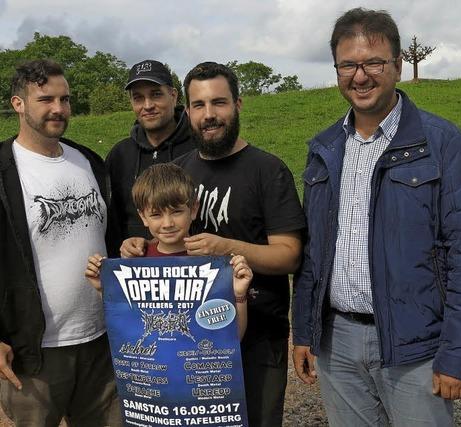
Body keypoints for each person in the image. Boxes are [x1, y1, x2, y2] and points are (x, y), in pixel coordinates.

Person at [291, 7, 461, 426]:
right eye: (348, 64)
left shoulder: (444, 144)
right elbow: (313, 253)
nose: (359, 76)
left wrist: (458, 352)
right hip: (338, 343)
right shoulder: (325, 148)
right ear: (336, 70)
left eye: (373, 63)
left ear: (398, 66)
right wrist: (305, 332)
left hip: (414, 343)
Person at [120, 62, 306, 426]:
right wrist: (136, 247)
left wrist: (225, 248)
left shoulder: (268, 170)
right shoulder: (179, 170)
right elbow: (161, 232)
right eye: (199, 105)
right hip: (187, 344)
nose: (209, 115)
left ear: (238, 104)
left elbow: (289, 256)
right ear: (186, 111)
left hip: (256, 339)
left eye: (218, 103)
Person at [0, 59, 121, 426]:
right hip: (34, 352)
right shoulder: (4, 170)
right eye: (46, 99)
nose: (58, 109)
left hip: (102, 340)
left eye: (65, 99)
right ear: (18, 104)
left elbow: (112, 237)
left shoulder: (88, 161)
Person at [85, 163, 252, 337]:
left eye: (176, 212)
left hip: (199, 360)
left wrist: (239, 294)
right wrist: (103, 289)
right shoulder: (135, 262)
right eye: (156, 214)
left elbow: (234, 337)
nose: (167, 224)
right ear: (143, 216)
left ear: (193, 209)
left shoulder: (214, 261)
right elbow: (126, 326)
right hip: (151, 361)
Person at [106, 59, 195, 242]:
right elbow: (113, 220)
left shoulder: (199, 148)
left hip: (192, 265)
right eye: (138, 97)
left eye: (156, 95)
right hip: (135, 267)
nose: (147, 105)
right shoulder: (119, 155)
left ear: (173, 95)